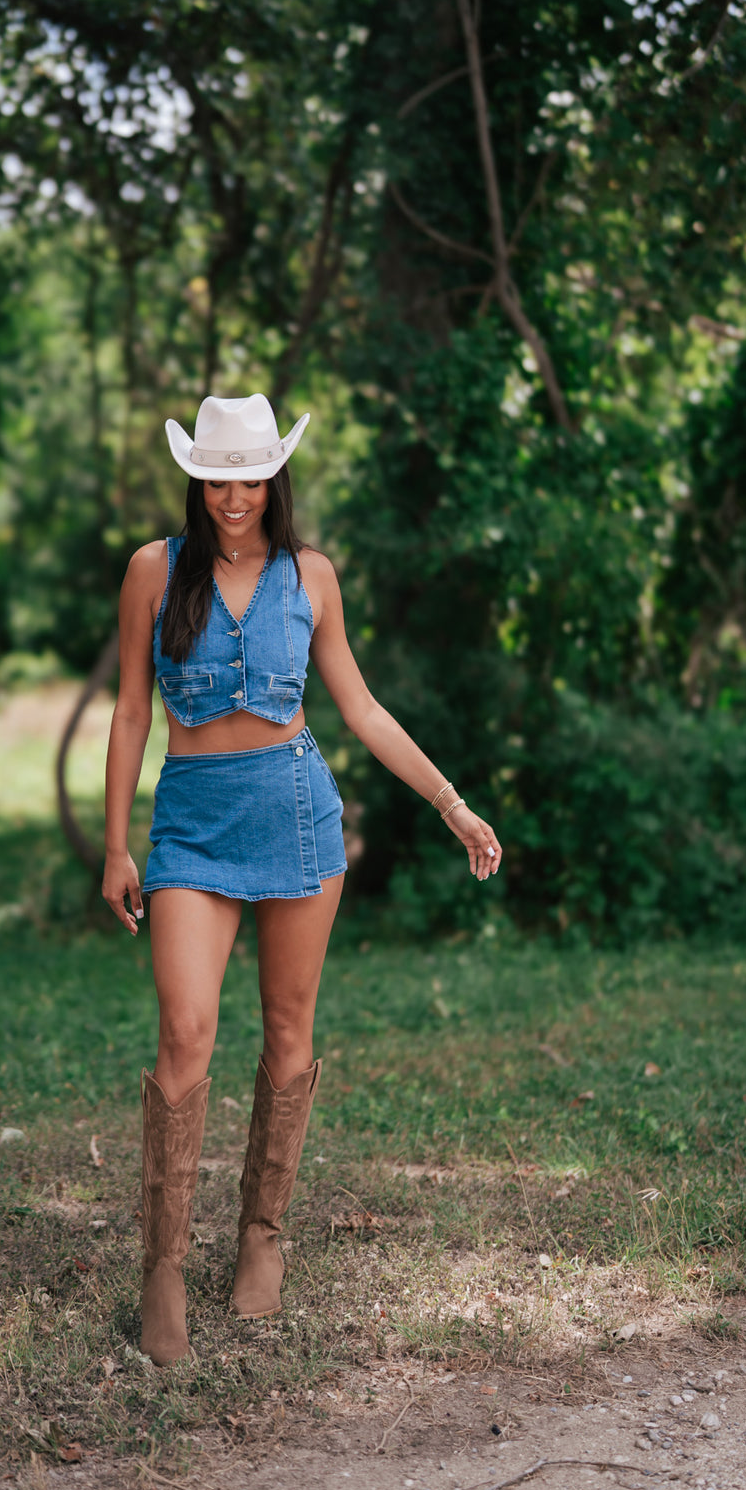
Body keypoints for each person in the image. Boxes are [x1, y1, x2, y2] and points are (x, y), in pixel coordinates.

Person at [102, 393, 501, 1367]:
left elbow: (358, 707)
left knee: (289, 1029)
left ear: (274, 477)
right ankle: (163, 1270)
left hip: (295, 813)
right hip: (192, 822)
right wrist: (117, 845)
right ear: (195, 480)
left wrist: (452, 804)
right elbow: (128, 713)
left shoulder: (309, 576)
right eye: (214, 479)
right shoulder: (155, 570)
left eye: (247, 478)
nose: (231, 496)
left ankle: (261, 1240)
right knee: (186, 1030)